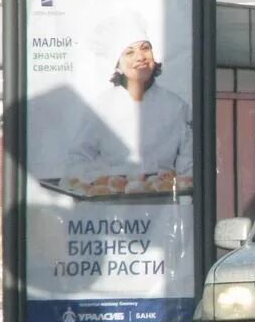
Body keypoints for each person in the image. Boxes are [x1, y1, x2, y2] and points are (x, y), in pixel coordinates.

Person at [62, 11, 193, 196]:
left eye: (145, 48)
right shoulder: (102, 107)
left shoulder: (177, 106)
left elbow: (191, 162)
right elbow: (78, 159)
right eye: (129, 52)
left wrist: (178, 182)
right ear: (118, 65)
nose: (140, 57)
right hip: (113, 209)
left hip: (163, 208)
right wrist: (107, 181)